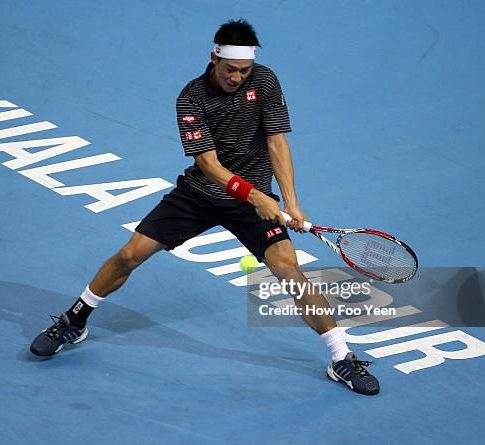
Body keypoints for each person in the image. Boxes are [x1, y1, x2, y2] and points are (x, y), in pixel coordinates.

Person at [30, 19, 379, 395]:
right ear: (214, 57)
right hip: (200, 196)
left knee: (288, 269)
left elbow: (277, 142)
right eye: (230, 69)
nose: (237, 77)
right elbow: (208, 165)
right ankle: (75, 320)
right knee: (130, 254)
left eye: (244, 71)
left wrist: (290, 201)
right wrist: (257, 197)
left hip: (252, 201)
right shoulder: (191, 98)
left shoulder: (264, 82)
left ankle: (341, 357)